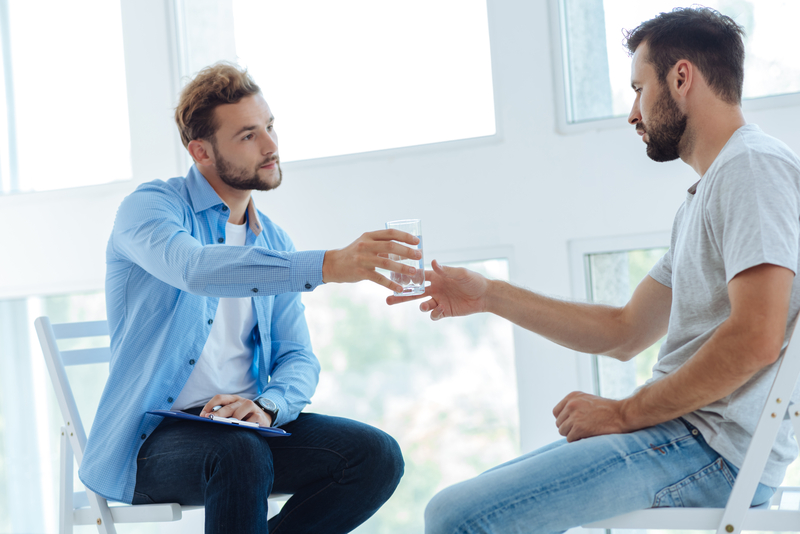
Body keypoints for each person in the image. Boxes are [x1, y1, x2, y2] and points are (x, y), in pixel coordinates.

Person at [389, 7, 800, 533]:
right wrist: (489, 294)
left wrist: (624, 413)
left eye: (637, 89)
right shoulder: (707, 194)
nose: (633, 113)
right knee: (451, 508)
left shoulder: (752, 168)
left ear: (680, 78)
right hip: (685, 438)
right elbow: (624, 331)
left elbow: (756, 338)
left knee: (459, 517)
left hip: (710, 448)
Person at [80, 62, 414, 533]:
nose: (272, 147)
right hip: (152, 441)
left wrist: (269, 405)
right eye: (248, 136)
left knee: (374, 456)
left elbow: (298, 356)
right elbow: (195, 269)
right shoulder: (150, 208)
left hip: (244, 431)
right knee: (240, 452)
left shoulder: (273, 240)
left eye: (271, 127)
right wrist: (327, 265)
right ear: (201, 151)